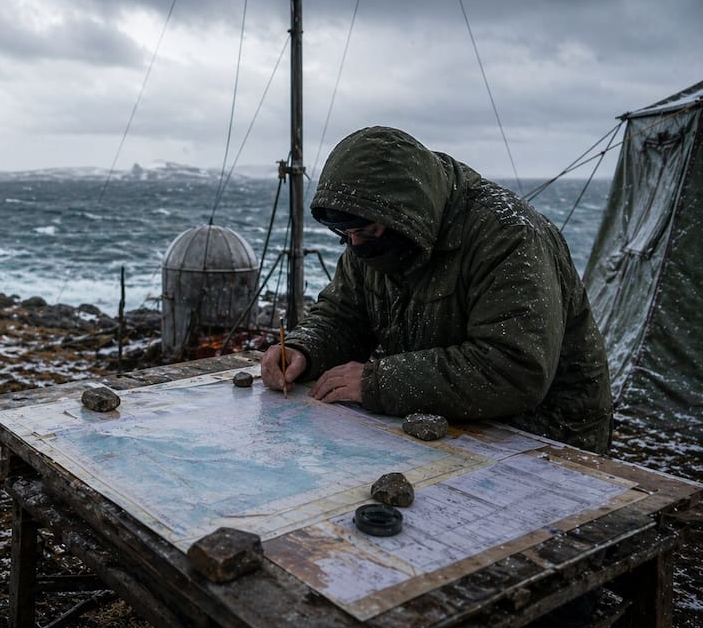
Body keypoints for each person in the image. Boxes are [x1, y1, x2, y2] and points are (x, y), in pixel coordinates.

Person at [260, 126, 612, 453]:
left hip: (548, 437)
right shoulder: (371, 232)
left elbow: (515, 368)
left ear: (403, 215)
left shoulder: (509, 237)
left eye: (364, 233)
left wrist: (379, 383)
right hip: (452, 423)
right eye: (345, 236)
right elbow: (344, 314)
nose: (355, 244)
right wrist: (302, 348)